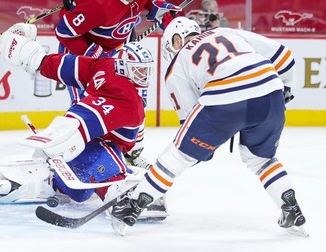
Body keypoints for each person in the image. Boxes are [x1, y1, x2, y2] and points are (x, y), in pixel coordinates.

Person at [109, 16, 307, 237]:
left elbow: (189, 122)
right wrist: (286, 88)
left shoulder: (177, 64)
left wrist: (195, 152)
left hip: (224, 98)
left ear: (176, 40)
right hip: (271, 91)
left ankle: (132, 206)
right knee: (261, 159)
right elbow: (285, 57)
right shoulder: (227, 32)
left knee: (177, 156)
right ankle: (290, 206)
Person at [0, 23, 167, 220]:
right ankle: (116, 194)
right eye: (138, 70)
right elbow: (78, 85)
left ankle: (31, 182)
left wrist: (34, 58)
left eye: (145, 70)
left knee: (87, 172)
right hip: (91, 145)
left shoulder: (116, 79)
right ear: (122, 66)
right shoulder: (116, 81)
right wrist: (36, 59)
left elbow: (75, 79)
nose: (144, 76)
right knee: (92, 172)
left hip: (96, 145)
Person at [57, 0, 182, 168]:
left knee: (134, 101)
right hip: (83, 57)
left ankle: (132, 153)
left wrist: (156, 8)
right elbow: (64, 31)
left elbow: (145, 4)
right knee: (88, 107)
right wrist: (96, 57)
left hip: (116, 54)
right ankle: (76, 159)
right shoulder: (98, 5)